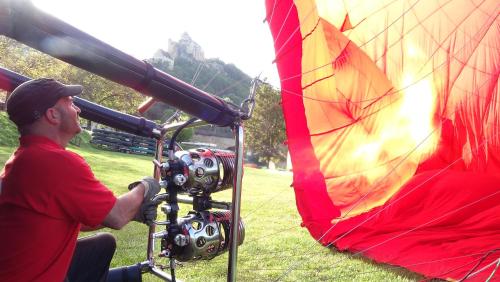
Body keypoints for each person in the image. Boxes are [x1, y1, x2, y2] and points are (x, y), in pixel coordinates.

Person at [0, 78, 160, 282]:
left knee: (102, 245)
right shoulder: (54, 161)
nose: (78, 109)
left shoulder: (26, 158)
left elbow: (79, 221)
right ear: (53, 114)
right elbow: (117, 216)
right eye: (70, 102)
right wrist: (145, 186)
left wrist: (134, 213)